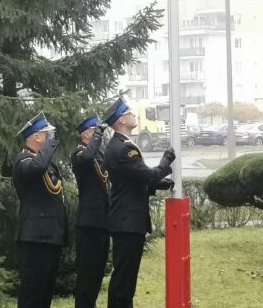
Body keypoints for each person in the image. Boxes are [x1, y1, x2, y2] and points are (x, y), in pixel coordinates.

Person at [101, 96, 175, 308]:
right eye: (129, 113)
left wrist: (159, 184)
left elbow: (133, 180)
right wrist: (166, 161)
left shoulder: (121, 145)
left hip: (126, 220)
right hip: (127, 221)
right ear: (121, 121)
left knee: (125, 277)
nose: (134, 115)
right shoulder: (124, 148)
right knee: (124, 279)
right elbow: (148, 175)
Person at [12, 112, 66, 308]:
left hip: (49, 236)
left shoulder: (46, 164)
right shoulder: (24, 160)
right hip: (33, 237)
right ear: (37, 137)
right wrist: (50, 144)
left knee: (44, 293)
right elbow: (37, 168)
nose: (51, 138)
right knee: (31, 294)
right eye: (47, 134)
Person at [71, 114, 110, 308]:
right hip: (88, 223)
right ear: (87, 135)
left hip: (103, 221)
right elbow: (87, 157)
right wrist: (97, 135)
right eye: (95, 132)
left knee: (97, 273)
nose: (100, 136)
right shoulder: (79, 153)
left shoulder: (100, 155)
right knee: (87, 274)